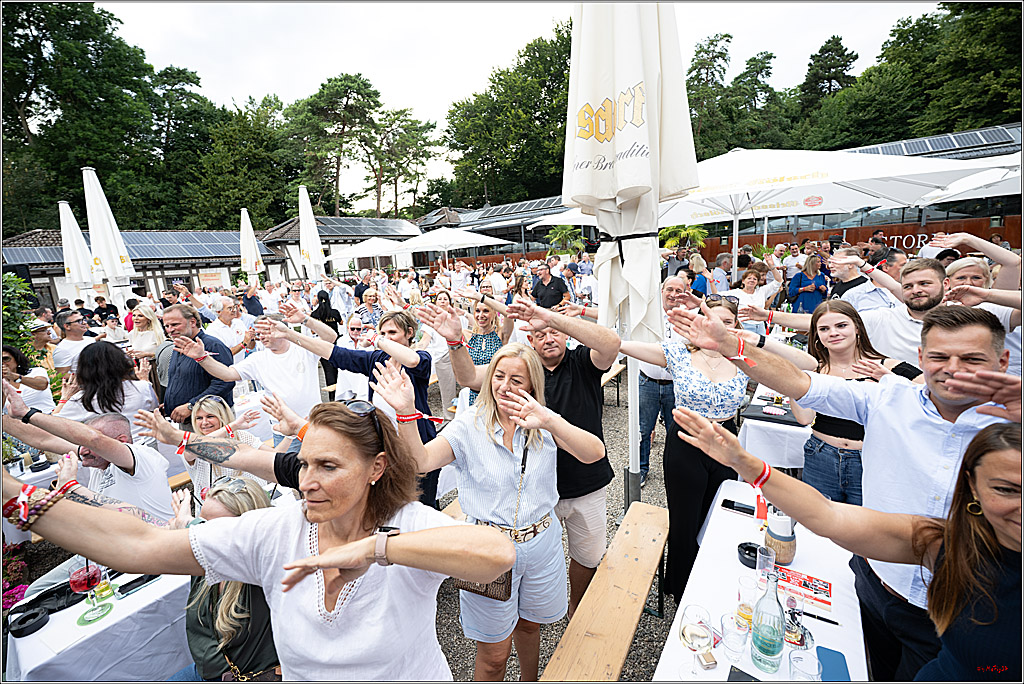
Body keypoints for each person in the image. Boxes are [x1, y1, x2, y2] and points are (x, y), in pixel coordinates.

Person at [2, 401, 515, 680]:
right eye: (305, 464)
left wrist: (376, 548)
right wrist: (12, 496)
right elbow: (137, 547)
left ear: (377, 468)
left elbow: (497, 555)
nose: (307, 481)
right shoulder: (277, 529)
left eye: (329, 467)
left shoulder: (409, 520)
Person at [670, 302, 1017, 681]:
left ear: (1003, 361)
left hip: (966, 611)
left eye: (971, 358)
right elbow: (801, 384)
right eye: (939, 356)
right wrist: (732, 346)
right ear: (921, 357)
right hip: (875, 582)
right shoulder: (889, 397)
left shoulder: (1011, 431)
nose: (953, 368)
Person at [675, 411, 1021, 683]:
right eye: (1007, 490)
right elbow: (829, 515)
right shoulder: (953, 543)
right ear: (972, 489)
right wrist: (745, 463)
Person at [374, 347, 604, 681]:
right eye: (498, 376)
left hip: (542, 541)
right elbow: (420, 462)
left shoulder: (543, 420)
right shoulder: (469, 425)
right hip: (486, 550)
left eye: (516, 379)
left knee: (529, 626)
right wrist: (407, 412)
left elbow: (594, 454)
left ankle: (529, 679)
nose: (504, 386)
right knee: (494, 655)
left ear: (532, 385)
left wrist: (549, 420)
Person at [420, 296, 620, 618]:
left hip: (586, 483)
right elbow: (470, 377)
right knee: (542, 556)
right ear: (530, 340)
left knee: (588, 556)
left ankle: (575, 607)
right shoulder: (522, 370)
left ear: (566, 334)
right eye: (539, 334)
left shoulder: (583, 361)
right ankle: (534, 607)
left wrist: (548, 317)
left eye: (553, 331)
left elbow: (612, 342)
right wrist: (456, 341)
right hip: (535, 491)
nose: (548, 338)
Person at [621, 299, 812, 600]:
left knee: (718, 516)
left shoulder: (743, 359)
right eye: (712, 319)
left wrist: (754, 341)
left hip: (726, 443)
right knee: (684, 521)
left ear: (734, 326)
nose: (717, 326)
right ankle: (682, 588)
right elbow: (622, 344)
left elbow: (803, 365)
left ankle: (709, 580)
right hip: (686, 440)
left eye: (726, 322)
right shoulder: (679, 353)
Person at [265, 309, 443, 508]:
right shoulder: (377, 360)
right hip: (386, 447)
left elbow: (411, 360)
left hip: (417, 445)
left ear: (409, 333)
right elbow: (333, 353)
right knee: (392, 505)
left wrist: (377, 339)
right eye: (383, 333)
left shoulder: (421, 357)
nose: (386, 338)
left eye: (392, 333)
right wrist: (291, 334)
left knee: (422, 505)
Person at [789, 301, 923, 506]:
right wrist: (793, 378)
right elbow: (804, 417)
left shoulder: (887, 366)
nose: (833, 333)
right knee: (818, 525)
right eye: (824, 329)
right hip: (821, 456)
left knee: (867, 526)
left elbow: (934, 397)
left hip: (872, 459)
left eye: (841, 326)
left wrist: (891, 381)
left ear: (857, 328)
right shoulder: (816, 372)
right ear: (817, 337)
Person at [176, 311, 322, 446]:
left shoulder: (304, 349)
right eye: (259, 333)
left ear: (282, 329)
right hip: (283, 431)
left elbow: (330, 338)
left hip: (314, 424)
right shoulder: (258, 359)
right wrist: (202, 358)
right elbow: (227, 374)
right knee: (289, 471)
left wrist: (305, 320)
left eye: (266, 331)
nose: (262, 337)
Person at [53, 341, 159, 445]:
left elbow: (51, 425)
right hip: (147, 447)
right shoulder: (142, 387)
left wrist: (64, 398)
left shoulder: (83, 400)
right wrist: (145, 381)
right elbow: (155, 410)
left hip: (113, 455)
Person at [180, 396, 269, 503]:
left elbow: (273, 455)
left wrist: (290, 435)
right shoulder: (191, 444)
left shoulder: (241, 436)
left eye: (210, 416)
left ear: (222, 416)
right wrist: (232, 426)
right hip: (215, 510)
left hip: (250, 502)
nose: (204, 422)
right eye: (199, 418)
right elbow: (198, 447)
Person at [161, 304, 236, 427]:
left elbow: (225, 382)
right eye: (167, 326)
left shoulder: (213, 345)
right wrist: (171, 402)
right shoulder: (178, 346)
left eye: (175, 325)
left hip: (210, 423)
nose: (170, 330)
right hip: (188, 421)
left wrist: (191, 405)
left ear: (192, 322)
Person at [413, 290, 458, 418]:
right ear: (436, 302)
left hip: (458, 355)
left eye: (445, 298)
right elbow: (423, 342)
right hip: (443, 358)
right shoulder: (431, 321)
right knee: (448, 393)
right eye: (440, 299)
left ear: (450, 301)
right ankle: (450, 420)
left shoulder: (455, 318)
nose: (443, 301)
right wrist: (412, 352)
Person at [827, 247, 897, 311]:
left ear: (851, 264)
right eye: (830, 262)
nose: (830, 266)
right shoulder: (837, 286)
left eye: (836, 262)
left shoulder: (867, 287)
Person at [724, 267, 782, 334]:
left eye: (755, 279)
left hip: (760, 326)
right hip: (744, 326)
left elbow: (778, 281)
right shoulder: (735, 293)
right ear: (743, 281)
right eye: (749, 278)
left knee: (762, 344)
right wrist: (711, 281)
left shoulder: (762, 291)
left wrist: (772, 266)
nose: (752, 280)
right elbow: (717, 294)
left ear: (757, 282)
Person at [309, 290, 344, 401]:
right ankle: (341, 396)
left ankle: (332, 399)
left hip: (323, 346)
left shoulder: (315, 314)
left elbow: (313, 332)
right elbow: (342, 323)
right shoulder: (334, 312)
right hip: (336, 345)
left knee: (328, 373)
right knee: (338, 372)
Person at [2, 345, 54, 413]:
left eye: (5, 359)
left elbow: (42, 384)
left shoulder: (36, 371)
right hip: (16, 421)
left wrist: (15, 377)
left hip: (48, 416)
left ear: (17, 360)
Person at [206, 296, 254, 365]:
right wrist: (243, 343)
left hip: (242, 366)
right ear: (219, 311)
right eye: (230, 308)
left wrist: (251, 338)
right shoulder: (212, 330)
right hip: (226, 370)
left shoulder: (239, 323)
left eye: (234, 307)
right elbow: (225, 354)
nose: (234, 310)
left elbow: (251, 346)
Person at [52, 310, 95, 376]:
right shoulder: (62, 349)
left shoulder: (90, 340)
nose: (84, 323)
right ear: (67, 326)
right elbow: (62, 375)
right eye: (79, 321)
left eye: (83, 319)